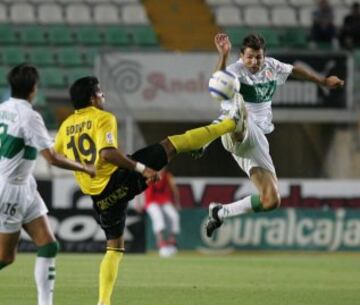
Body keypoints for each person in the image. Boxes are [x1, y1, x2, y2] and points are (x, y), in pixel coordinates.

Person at [53, 76, 243, 305]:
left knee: (114, 248)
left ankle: (103, 302)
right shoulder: (102, 118)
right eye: (100, 92)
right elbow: (107, 154)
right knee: (172, 144)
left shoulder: (65, 128)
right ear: (93, 98)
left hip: (100, 198)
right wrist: (142, 169)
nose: (103, 96)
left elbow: (55, 156)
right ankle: (231, 123)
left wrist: (81, 168)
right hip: (117, 178)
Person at [205, 33, 344, 237]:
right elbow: (218, 82)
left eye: (258, 57)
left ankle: (220, 212)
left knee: (271, 200)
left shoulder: (272, 66)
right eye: (249, 57)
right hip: (239, 129)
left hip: (256, 142)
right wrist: (223, 56)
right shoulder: (236, 70)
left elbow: (295, 70)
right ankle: (209, 135)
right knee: (239, 111)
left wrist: (322, 81)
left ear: (264, 56)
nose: (254, 61)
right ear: (242, 56)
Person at [0, 64, 95, 305]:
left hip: (24, 185)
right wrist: (84, 167)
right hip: (11, 189)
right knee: (5, 257)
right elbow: (52, 158)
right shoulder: (29, 116)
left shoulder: (2, 109)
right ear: (34, 89)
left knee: (49, 245)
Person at [144, 168, 181, 257]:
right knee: (158, 217)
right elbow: (141, 188)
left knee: (174, 216)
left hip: (164, 200)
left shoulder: (167, 175)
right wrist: (139, 202)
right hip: (151, 201)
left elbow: (174, 188)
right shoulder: (149, 174)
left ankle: (171, 243)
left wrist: (177, 202)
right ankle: (161, 244)